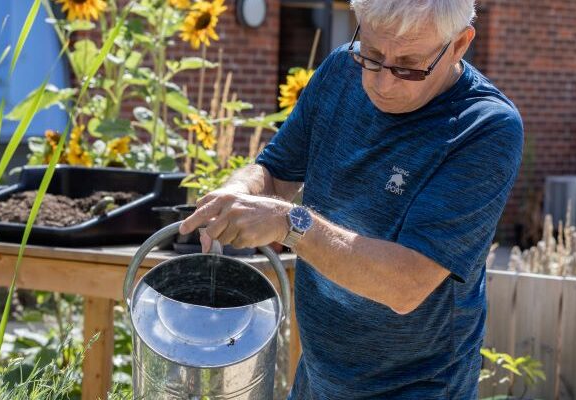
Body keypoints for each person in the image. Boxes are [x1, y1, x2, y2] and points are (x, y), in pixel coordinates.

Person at [179, 0, 523, 398]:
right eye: (373, 55)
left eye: (408, 65)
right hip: (318, 377)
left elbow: (405, 285)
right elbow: (273, 172)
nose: (382, 82)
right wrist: (239, 191)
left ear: (459, 45)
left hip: (417, 387)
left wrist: (291, 223)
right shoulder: (341, 71)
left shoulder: (484, 127)